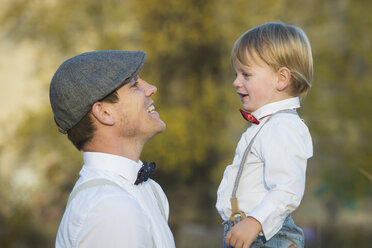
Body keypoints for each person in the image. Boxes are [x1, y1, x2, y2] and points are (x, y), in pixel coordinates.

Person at [50, 50, 176, 247]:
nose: (151, 88)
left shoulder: (149, 190)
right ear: (104, 112)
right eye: (134, 85)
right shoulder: (111, 208)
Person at [216, 22, 313, 248]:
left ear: (281, 78)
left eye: (246, 74)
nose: (236, 82)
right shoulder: (267, 125)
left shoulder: (282, 126)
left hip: (266, 235)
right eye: (236, 73)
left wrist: (255, 221)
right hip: (251, 230)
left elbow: (288, 188)